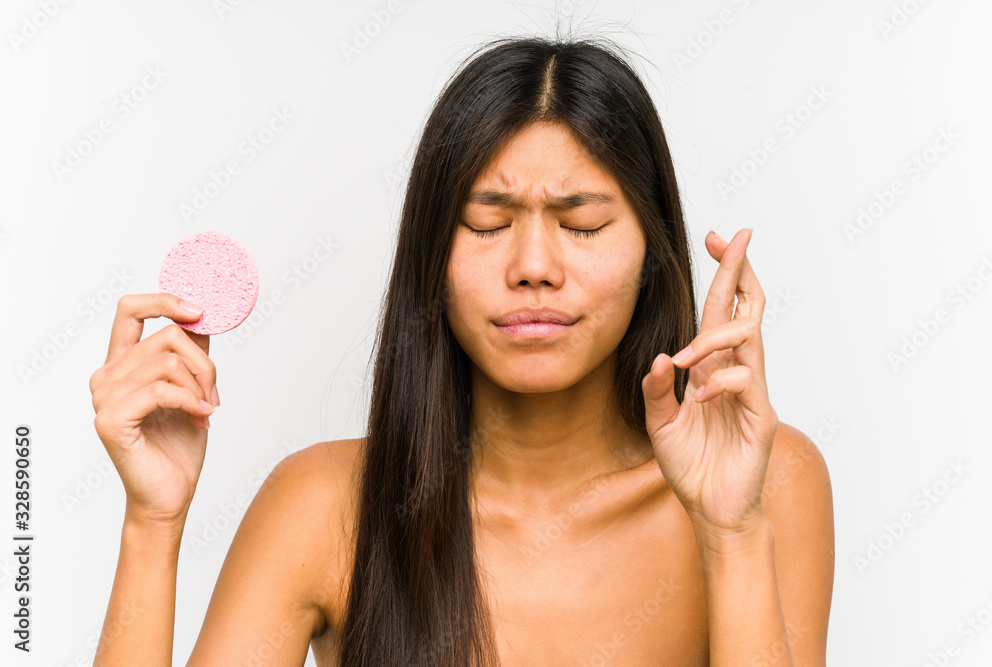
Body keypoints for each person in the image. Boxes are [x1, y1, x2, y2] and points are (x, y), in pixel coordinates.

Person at [90, 34, 834, 666]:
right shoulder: (322, 505)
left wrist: (731, 533)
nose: (534, 266)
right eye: (486, 223)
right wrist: (152, 523)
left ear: (652, 248)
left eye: (581, 224)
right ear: (430, 254)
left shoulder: (768, 480)